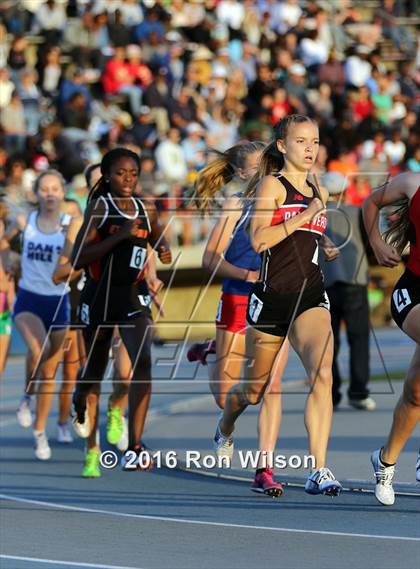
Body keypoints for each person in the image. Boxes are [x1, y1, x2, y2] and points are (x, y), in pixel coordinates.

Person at [213, 114, 343, 496]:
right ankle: (225, 426)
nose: (310, 149)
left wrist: (323, 242)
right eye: (301, 141)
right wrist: (305, 216)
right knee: (253, 391)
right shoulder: (272, 185)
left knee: (323, 374)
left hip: (310, 295)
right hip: (270, 298)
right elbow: (259, 241)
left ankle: (318, 469)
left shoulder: (318, 185)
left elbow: (310, 233)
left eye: (315, 141)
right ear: (283, 146)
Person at [190, 141, 287, 496]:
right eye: (260, 166)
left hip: (274, 299)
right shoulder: (236, 205)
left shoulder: (280, 197)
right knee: (224, 397)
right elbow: (210, 258)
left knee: (270, 387)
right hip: (237, 295)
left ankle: (266, 468)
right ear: (243, 173)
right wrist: (248, 276)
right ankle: (212, 352)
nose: (269, 171)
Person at [71, 148, 171, 476]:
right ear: (107, 176)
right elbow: (77, 258)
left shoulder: (145, 206)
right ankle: (79, 397)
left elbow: (155, 235)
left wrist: (162, 246)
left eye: (132, 174)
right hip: (99, 295)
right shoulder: (100, 208)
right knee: (95, 371)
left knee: (141, 361)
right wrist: (120, 238)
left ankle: (136, 446)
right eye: (120, 174)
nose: (127, 180)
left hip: (132, 294)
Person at [363, 171, 420, 505]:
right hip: (413, 292)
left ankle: (385, 460)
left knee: (415, 395)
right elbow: (370, 203)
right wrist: (377, 241)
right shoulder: (412, 183)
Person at [10, 170, 71, 459]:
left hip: (59, 302)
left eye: (55, 188)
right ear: (36, 193)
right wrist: (9, 258)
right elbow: (6, 240)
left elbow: (77, 257)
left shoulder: (69, 223)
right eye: (44, 188)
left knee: (49, 372)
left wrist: (73, 269)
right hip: (28, 300)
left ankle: (39, 432)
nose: (49, 193)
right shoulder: (26, 221)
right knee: (39, 348)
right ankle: (26, 397)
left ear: (62, 192)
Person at [319, 172, 376, 411]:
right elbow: (372, 243)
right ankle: (359, 392)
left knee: (328, 342)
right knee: (359, 339)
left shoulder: (316, 216)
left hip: (325, 283)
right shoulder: (357, 212)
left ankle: (331, 393)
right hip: (355, 279)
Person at [0, 203, 14, 378]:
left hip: (3, 315)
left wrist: (12, 302)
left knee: (1, 365)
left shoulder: (4, 247)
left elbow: (7, 283)